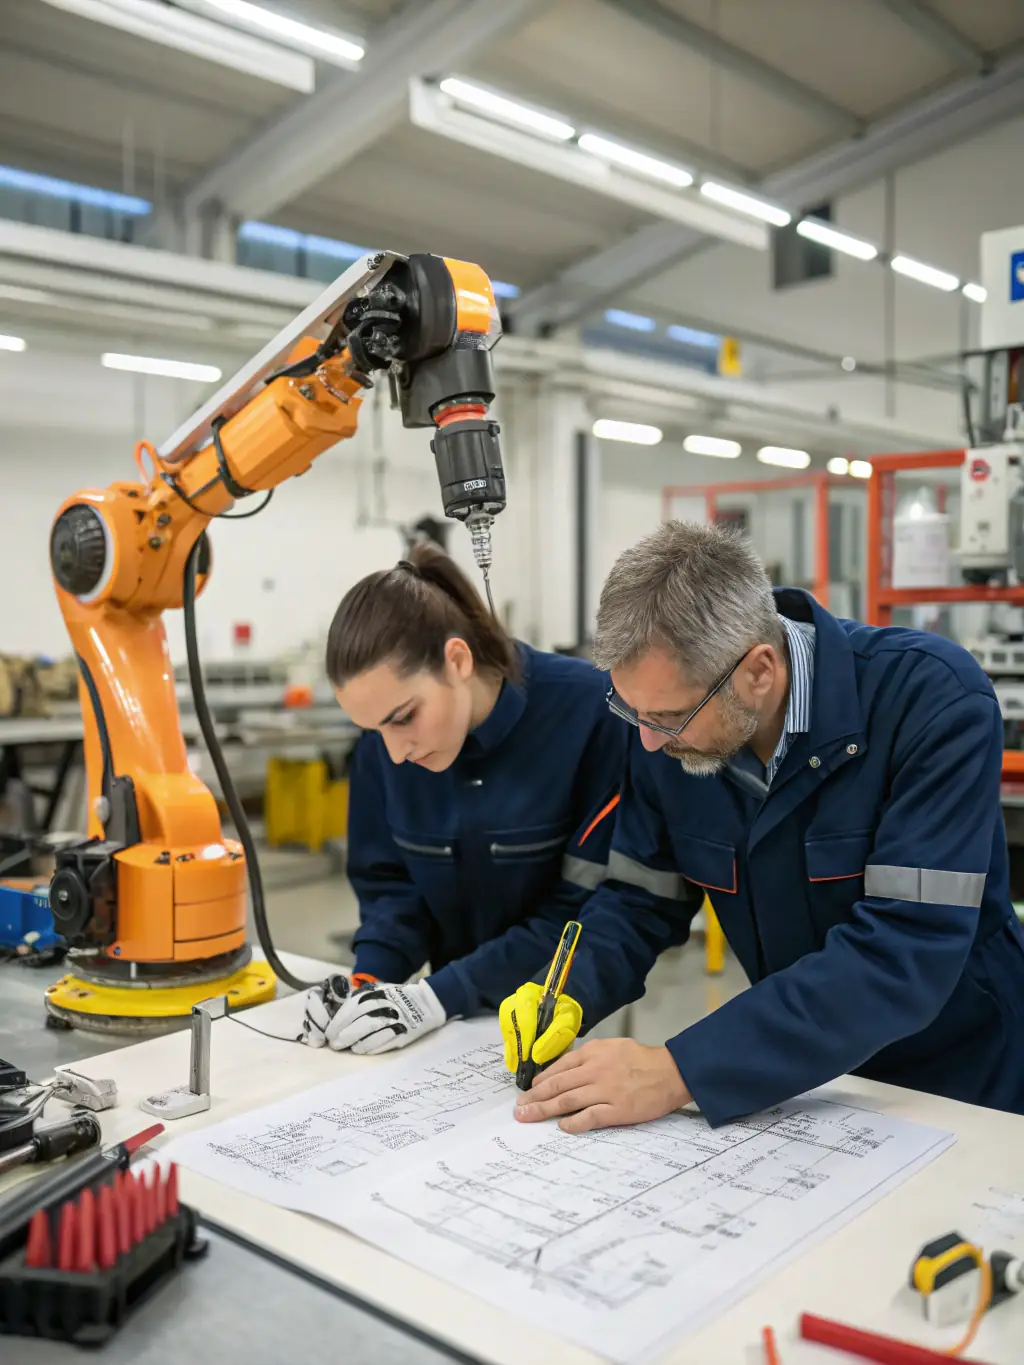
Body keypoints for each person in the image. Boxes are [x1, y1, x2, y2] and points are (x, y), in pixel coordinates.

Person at [501, 520, 1024, 1131]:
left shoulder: (931, 700)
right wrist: (567, 985)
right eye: (631, 710)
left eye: (667, 716)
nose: (645, 740)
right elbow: (640, 901)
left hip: (961, 1080)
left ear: (759, 670)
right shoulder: (669, 734)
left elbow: (902, 951)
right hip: (804, 1080)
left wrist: (680, 1071)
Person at [302, 541, 625, 1055]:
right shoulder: (383, 747)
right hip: (445, 1034)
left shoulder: (590, 714)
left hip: (556, 1021)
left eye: (403, 717)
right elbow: (390, 887)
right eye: (372, 729)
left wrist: (439, 995)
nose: (395, 751)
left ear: (457, 660)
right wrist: (367, 979)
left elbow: (586, 912)